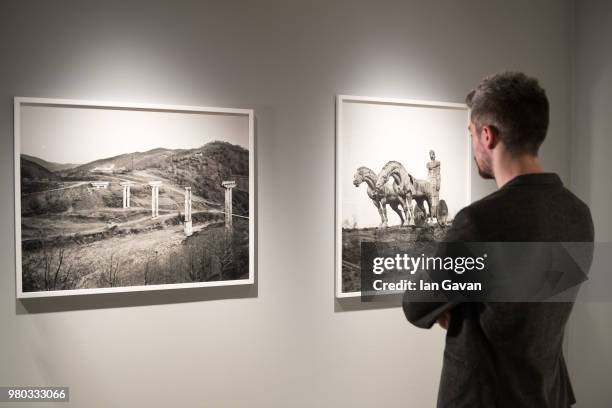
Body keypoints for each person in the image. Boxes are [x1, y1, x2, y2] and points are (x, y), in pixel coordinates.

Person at [403, 72, 594, 407]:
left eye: (471, 133)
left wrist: (462, 301)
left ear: (487, 135)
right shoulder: (579, 214)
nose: (472, 143)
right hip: (548, 397)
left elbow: (416, 302)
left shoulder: (479, 222)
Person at [426, 150, 441, 222]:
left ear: (434, 155)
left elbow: (438, 174)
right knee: (430, 198)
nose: (431, 155)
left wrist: (438, 183)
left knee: (436, 198)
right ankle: (431, 216)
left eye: (432, 154)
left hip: (435, 180)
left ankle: (437, 215)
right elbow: (428, 174)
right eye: (430, 154)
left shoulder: (437, 163)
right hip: (430, 181)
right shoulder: (428, 164)